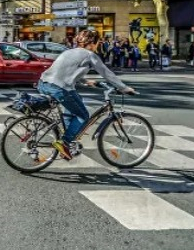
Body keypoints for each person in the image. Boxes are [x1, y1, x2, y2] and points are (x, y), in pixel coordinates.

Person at [38, 30, 135, 161]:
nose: (97, 46)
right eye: (97, 43)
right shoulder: (90, 55)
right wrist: (124, 88)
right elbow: (107, 73)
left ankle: (68, 138)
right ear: (92, 43)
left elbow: (68, 71)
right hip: (59, 88)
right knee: (83, 115)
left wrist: (86, 81)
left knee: (76, 102)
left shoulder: (68, 51)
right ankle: (64, 142)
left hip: (43, 83)